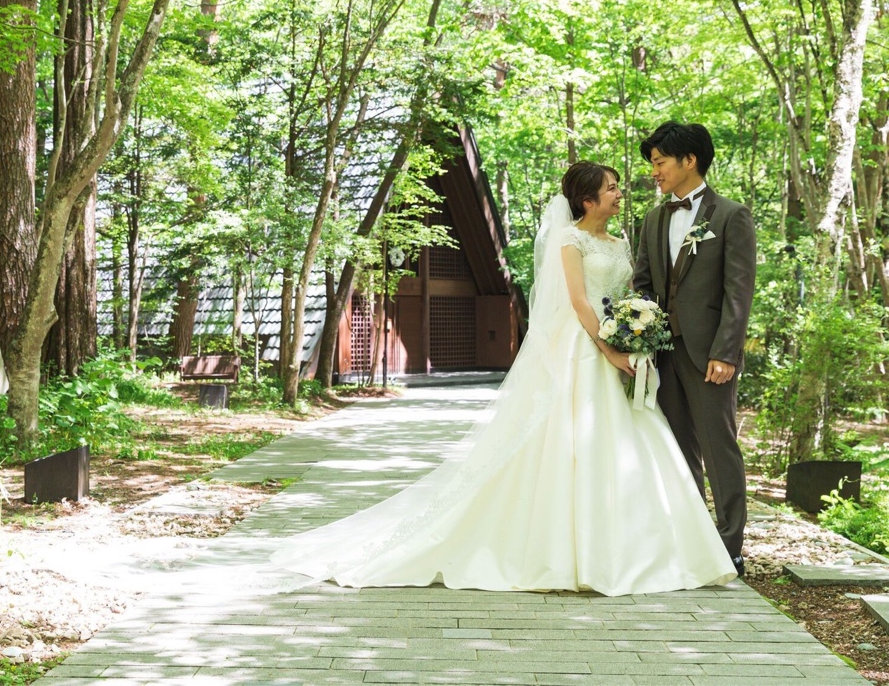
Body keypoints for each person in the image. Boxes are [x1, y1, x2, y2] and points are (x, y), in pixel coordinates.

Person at [271, 162, 736, 596]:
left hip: (618, 343)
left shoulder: (620, 243)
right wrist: (610, 349)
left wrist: (636, 331)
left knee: (632, 438)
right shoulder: (570, 240)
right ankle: (564, 553)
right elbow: (579, 301)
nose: (619, 194)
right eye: (611, 189)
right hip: (582, 347)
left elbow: (628, 293)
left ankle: (644, 548)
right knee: (569, 443)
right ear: (587, 200)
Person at [633, 121, 756, 576]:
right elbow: (643, 284)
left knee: (718, 448)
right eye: (653, 163)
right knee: (677, 450)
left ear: (690, 161)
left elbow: (739, 292)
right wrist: (638, 338)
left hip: (710, 355)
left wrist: (726, 352)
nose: (655, 171)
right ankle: (690, 543)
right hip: (663, 352)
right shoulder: (653, 219)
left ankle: (730, 547)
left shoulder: (731, 216)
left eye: (660, 162)